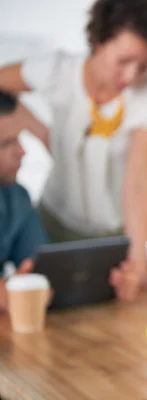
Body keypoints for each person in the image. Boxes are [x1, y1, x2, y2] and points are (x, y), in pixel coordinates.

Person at [0, 0, 147, 301]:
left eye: (144, 65)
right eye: (125, 60)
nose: (132, 75)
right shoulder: (56, 70)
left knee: (132, 309)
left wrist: (136, 266)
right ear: (99, 40)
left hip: (124, 230)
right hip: (58, 224)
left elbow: (136, 184)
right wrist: (33, 127)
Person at [0, 91, 48, 310]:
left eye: (19, 138)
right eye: (6, 143)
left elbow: (38, 266)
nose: (22, 151)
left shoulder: (17, 197)